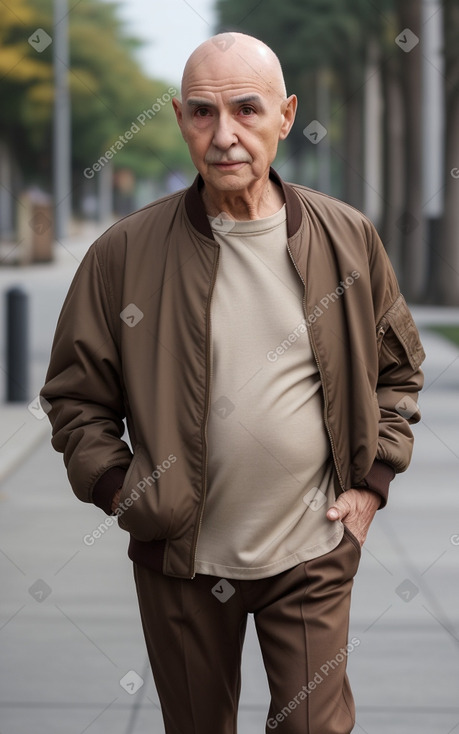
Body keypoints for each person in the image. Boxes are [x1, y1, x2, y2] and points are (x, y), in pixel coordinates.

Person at [41, 32, 425, 734]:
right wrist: (124, 494)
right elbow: (74, 396)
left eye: (246, 110)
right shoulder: (123, 254)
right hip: (181, 563)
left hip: (311, 551)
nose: (224, 136)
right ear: (181, 120)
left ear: (286, 115)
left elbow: (397, 370)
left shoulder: (346, 238)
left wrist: (369, 486)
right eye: (201, 113)